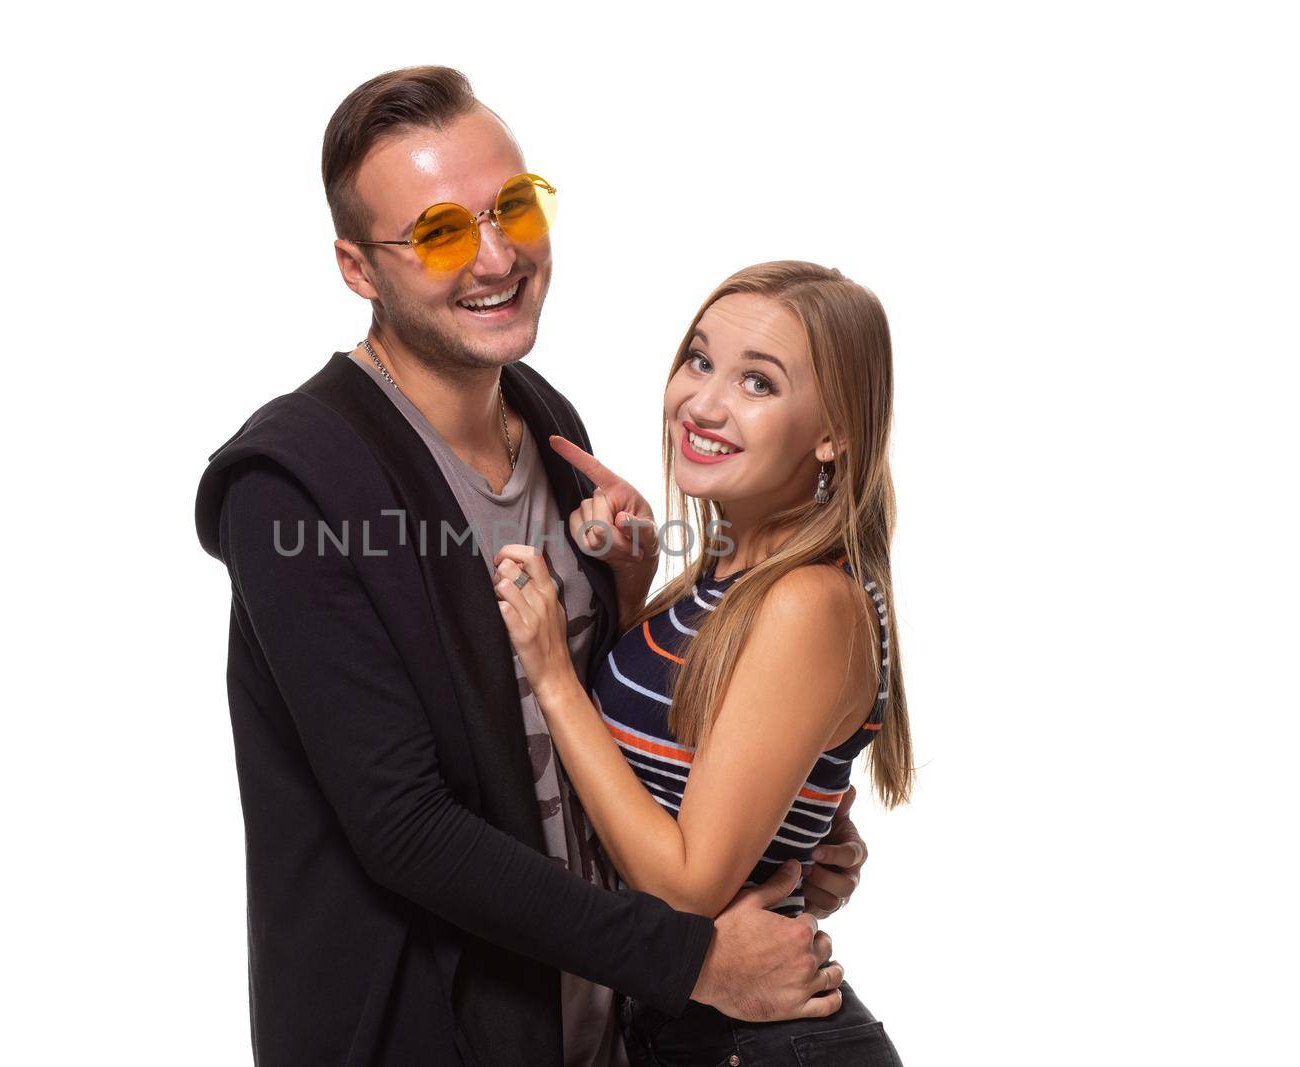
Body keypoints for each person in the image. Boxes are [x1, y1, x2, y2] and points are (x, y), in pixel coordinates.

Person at [193, 68, 872, 1066]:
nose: (497, 255)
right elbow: (406, 826)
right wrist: (689, 957)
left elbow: (589, 734)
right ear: (357, 266)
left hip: (602, 1031)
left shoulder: (549, 426)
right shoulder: (293, 486)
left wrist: (791, 819)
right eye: (439, 233)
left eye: (512, 206)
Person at [492, 261, 909, 1064]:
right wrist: (631, 581)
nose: (704, 402)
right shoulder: (724, 578)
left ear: (833, 432)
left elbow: (686, 886)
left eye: (758, 382)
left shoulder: (807, 603)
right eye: (699, 359)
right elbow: (674, 764)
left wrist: (552, 674)